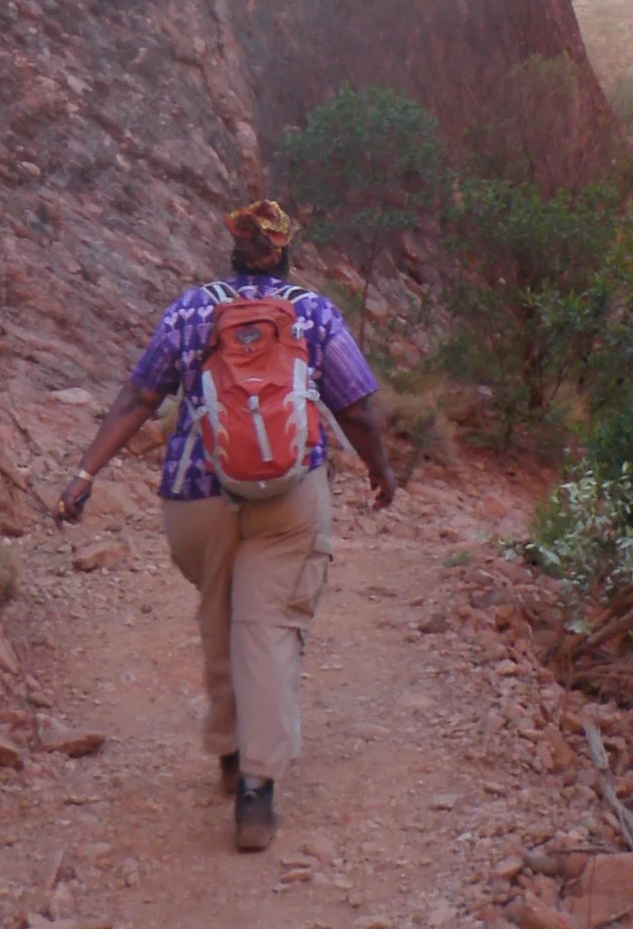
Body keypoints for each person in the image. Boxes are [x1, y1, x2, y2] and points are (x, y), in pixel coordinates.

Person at [57, 197, 396, 850]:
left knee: (221, 609)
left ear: (234, 252)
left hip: (196, 498)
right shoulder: (313, 310)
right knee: (265, 626)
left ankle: (229, 748)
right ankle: (255, 793)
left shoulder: (190, 310)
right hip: (289, 495)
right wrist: (381, 469)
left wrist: (84, 474)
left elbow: (139, 396)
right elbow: (358, 406)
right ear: (287, 251)